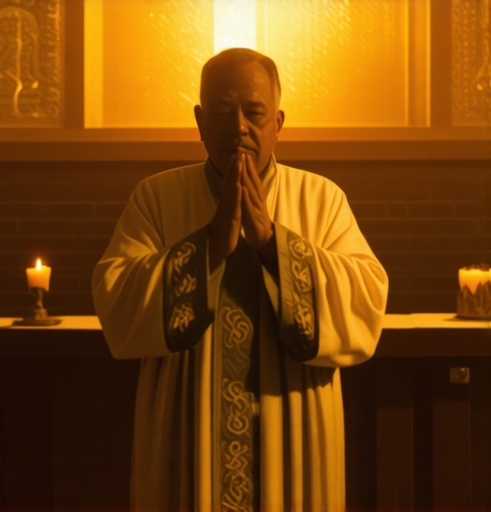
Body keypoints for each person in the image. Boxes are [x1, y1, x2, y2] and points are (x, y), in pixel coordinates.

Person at [92, 48, 388, 512]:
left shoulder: (322, 199)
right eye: (222, 112)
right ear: (199, 121)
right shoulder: (155, 198)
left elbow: (366, 301)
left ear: (278, 123)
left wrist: (274, 244)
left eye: (254, 113)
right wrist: (208, 245)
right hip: (186, 437)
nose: (239, 128)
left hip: (294, 431)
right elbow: (117, 299)